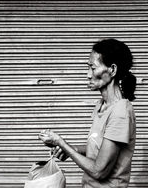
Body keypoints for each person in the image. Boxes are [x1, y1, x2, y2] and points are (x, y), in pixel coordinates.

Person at [38, 38, 137, 187]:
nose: (88, 75)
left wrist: (62, 143)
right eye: (88, 67)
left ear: (112, 70)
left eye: (93, 68)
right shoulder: (102, 106)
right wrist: (73, 149)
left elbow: (99, 171)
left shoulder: (120, 112)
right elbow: (98, 148)